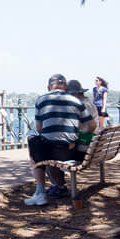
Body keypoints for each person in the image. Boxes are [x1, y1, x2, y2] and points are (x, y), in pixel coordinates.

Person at [25, 74, 96, 206]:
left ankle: (40, 193)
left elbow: (39, 129)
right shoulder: (76, 101)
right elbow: (92, 125)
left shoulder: (41, 100)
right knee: (51, 145)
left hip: (49, 152)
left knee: (32, 141)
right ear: (65, 87)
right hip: (71, 151)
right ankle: (57, 186)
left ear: (48, 87)